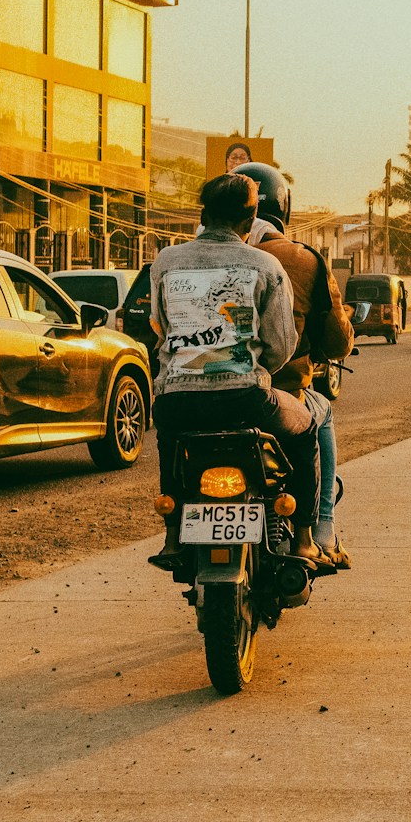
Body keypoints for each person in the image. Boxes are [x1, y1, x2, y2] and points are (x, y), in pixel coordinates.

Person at [146, 173, 315, 571]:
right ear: (250, 218)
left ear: (203, 216)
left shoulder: (166, 263)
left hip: (177, 402)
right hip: (247, 400)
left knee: (171, 444)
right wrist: (253, 369)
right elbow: (281, 345)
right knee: (306, 429)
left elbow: (161, 327)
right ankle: (306, 541)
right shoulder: (265, 265)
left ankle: (173, 537)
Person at [233, 162, 355, 572]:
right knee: (320, 414)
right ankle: (320, 530)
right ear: (282, 211)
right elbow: (336, 341)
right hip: (273, 393)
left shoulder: (190, 258)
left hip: (189, 393)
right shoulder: (298, 260)